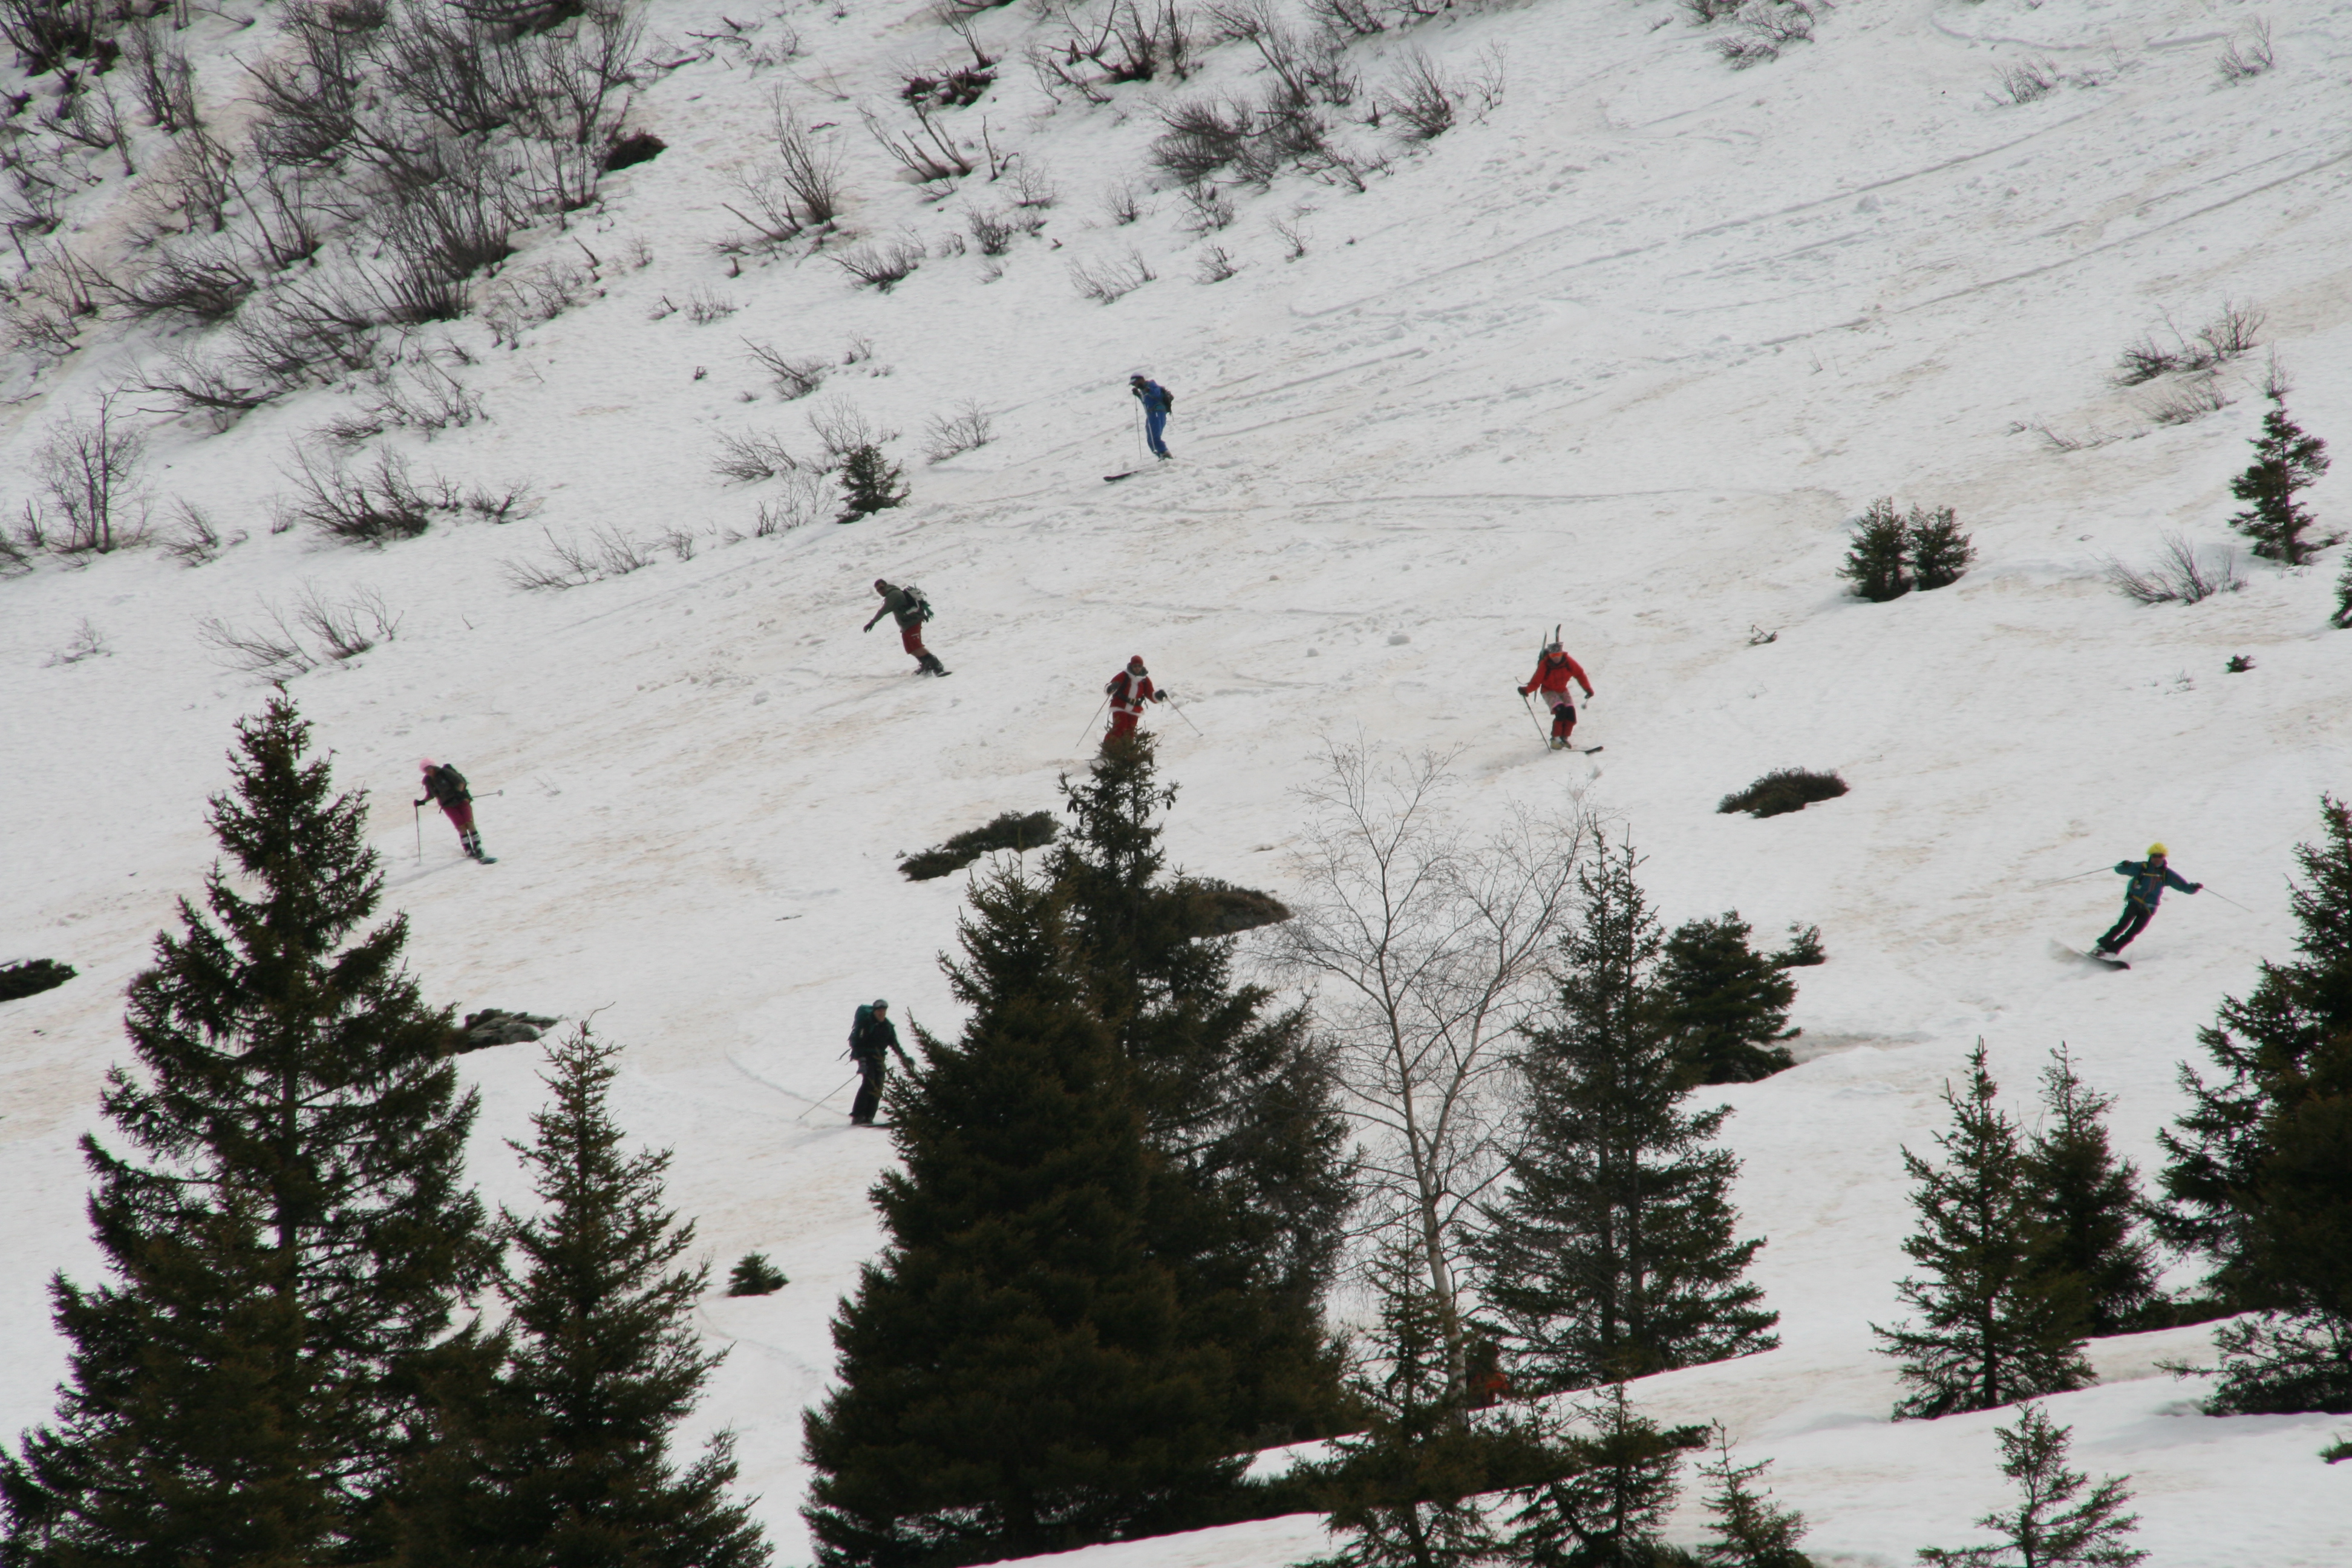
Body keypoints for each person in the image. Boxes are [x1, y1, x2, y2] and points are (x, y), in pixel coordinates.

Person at [2094, 843, 2200, 956]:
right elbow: (2119, 870)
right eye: (2155, 856)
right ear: (2150, 856)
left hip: (2149, 908)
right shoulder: (2141, 867)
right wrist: (2124, 865)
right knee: (2122, 925)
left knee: (2133, 932)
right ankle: (2101, 947)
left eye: (2160, 856)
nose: (2157, 859)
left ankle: (2111, 952)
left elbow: (2183, 886)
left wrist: (2193, 888)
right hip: (2135, 901)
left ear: (2164, 857)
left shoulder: (2166, 874)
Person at [1518, 641, 1595, 749]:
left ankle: (1564, 738)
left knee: (1571, 714)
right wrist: (1526, 690)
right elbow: (1536, 682)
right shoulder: (1545, 665)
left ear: (1562, 653)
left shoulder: (1568, 662)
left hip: (1562, 690)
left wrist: (1588, 690)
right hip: (1548, 690)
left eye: (1558, 655)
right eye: (1553, 656)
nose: (1556, 658)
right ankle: (1555, 739)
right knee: (1561, 711)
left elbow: (1580, 675)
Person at [863, 578, 946, 676]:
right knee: (910, 648)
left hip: (912, 622)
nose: (881, 591)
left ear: (886, 586)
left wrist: (872, 622)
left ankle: (937, 667)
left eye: (882, 588)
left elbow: (884, 610)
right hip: (906, 624)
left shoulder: (893, 594)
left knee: (916, 646)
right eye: (878, 590)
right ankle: (926, 664)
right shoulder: (891, 594)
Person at [416, 759, 492, 863]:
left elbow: (461, 782)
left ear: (433, 767)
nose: (429, 771)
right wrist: (423, 802)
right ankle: (468, 848)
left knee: (469, 822)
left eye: (430, 768)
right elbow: (431, 794)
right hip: (448, 805)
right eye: (426, 769)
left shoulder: (445, 773)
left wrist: (459, 793)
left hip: (461, 800)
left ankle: (478, 846)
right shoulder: (429, 781)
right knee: (461, 826)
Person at [846, 999, 898, 1126]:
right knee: (869, 1084)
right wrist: (862, 1061)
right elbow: (857, 1044)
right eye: (879, 1011)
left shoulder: (887, 1026)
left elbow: (895, 1044)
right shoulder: (867, 1024)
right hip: (867, 1058)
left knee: (878, 1086)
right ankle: (858, 1115)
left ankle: (869, 1116)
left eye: (883, 1011)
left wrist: (905, 1058)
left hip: (880, 1058)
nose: (881, 1013)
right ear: (874, 1011)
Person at [1105, 654, 1170, 744]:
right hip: (1120, 705)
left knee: (1130, 732)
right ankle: (1108, 747)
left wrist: (1158, 696)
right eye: (1135, 666)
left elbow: (1151, 695)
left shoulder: (1145, 680)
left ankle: (1127, 750)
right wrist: (1111, 687)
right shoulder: (1124, 675)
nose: (1137, 668)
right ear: (1131, 666)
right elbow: (1109, 687)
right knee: (1120, 728)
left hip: (1135, 709)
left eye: (1139, 666)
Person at [1129, 374, 1174, 460]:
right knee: (1150, 440)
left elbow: (1157, 394)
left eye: (1135, 383)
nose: (1135, 385)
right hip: (1151, 414)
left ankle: (1165, 453)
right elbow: (1146, 402)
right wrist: (1139, 395)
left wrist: (1146, 389)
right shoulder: (1144, 390)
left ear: (1141, 380)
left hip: (1157, 412)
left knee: (1155, 437)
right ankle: (1161, 455)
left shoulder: (1151, 385)